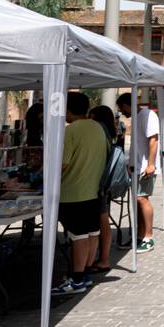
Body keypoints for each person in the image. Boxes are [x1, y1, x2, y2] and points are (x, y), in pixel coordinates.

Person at [52, 92, 109, 295]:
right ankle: (84, 275)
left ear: (68, 109)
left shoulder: (70, 131)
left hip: (72, 193)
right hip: (93, 191)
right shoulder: (98, 128)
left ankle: (75, 279)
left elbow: (63, 163)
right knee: (92, 234)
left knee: (78, 237)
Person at [117, 92, 159, 254]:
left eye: (122, 109)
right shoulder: (138, 117)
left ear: (128, 105)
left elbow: (153, 140)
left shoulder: (148, 115)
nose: (123, 113)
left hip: (145, 168)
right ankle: (140, 236)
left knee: (142, 199)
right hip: (136, 166)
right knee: (137, 200)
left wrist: (150, 164)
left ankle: (148, 236)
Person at [88, 105, 120, 274]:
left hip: (97, 183)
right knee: (103, 220)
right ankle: (102, 258)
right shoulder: (109, 132)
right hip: (104, 182)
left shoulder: (98, 130)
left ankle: (102, 260)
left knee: (101, 221)